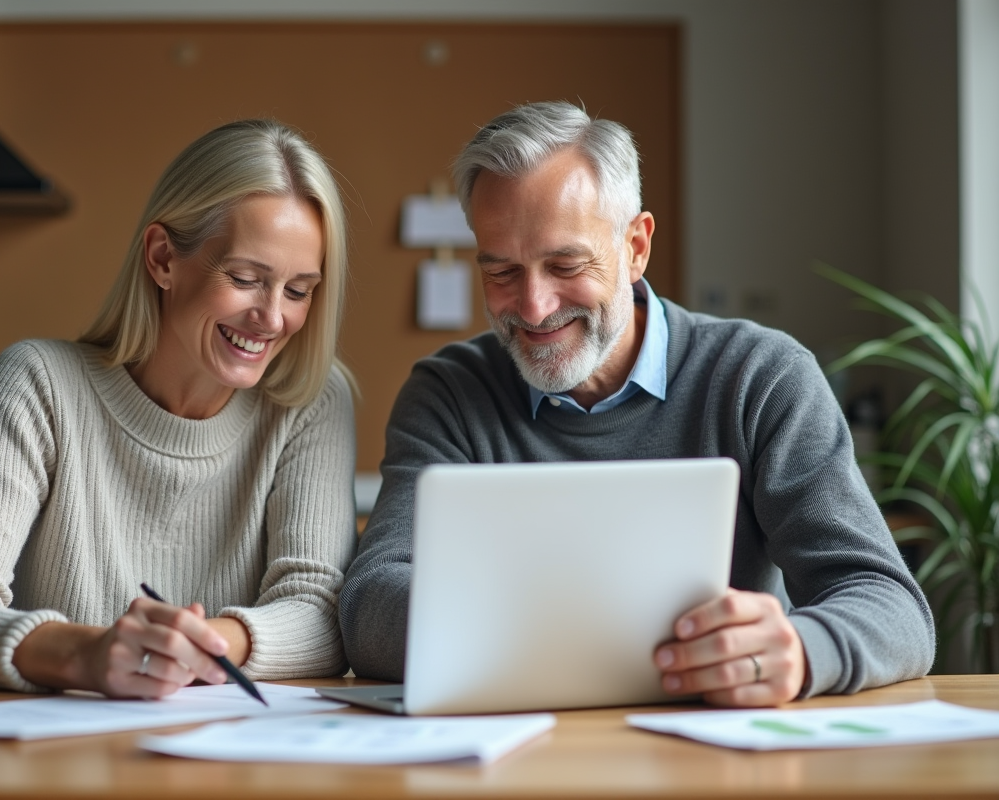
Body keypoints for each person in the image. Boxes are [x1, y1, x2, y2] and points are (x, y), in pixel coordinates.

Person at [339, 101, 934, 707]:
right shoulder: (448, 394)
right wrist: (566, 622)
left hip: (715, 753)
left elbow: (890, 603)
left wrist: (805, 651)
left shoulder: (762, 378)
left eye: (565, 264)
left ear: (636, 247)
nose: (535, 306)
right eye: (502, 273)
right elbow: (367, 609)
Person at [0, 119, 358, 698]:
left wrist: (195, 644)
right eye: (244, 278)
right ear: (163, 258)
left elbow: (323, 615)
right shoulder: (38, 385)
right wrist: (86, 656)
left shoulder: (311, 401)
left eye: (298, 290)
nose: (271, 318)